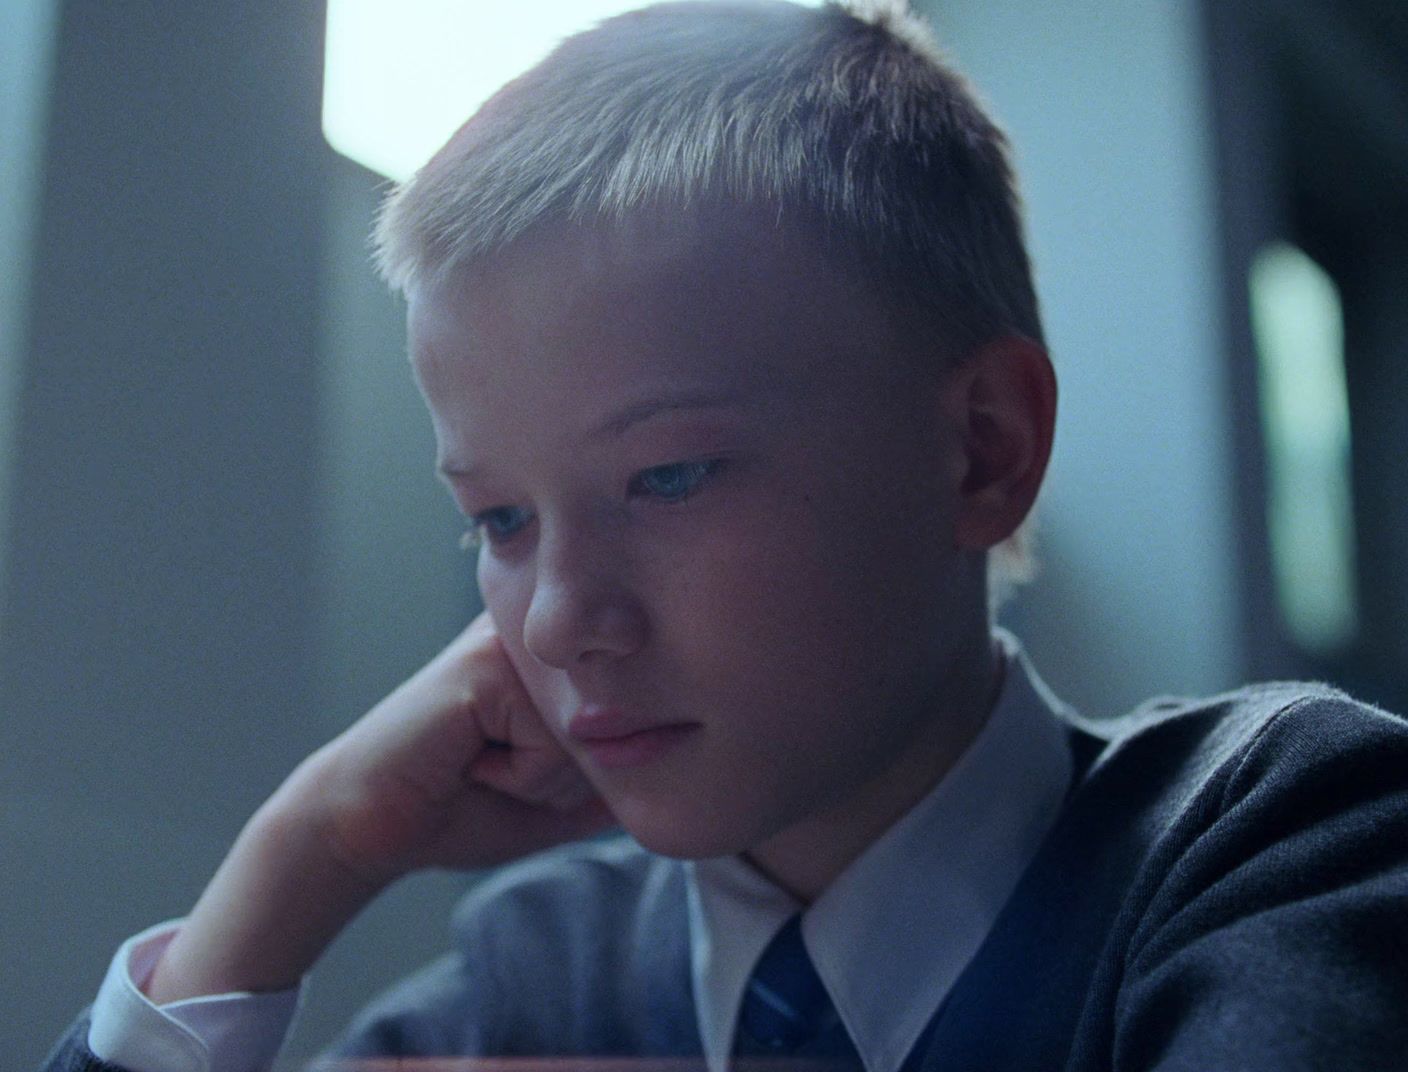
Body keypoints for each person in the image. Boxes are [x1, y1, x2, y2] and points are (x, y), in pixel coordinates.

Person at [41, 2, 1408, 1070]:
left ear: (980, 448)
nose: (562, 615)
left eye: (672, 474)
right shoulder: (542, 958)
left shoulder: (1277, 837)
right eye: (498, 520)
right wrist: (307, 852)